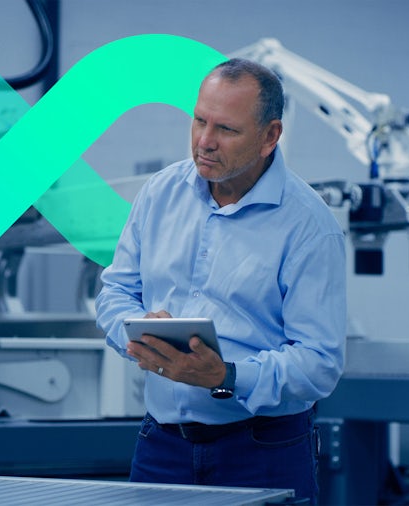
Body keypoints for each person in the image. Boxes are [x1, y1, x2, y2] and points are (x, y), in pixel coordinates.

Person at [95, 58, 346, 504]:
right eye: (199, 121)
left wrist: (225, 376)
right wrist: (135, 332)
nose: (205, 142)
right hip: (161, 446)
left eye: (226, 130)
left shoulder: (308, 225)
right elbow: (116, 291)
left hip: (263, 449)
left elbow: (319, 363)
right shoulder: (159, 193)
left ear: (270, 136)